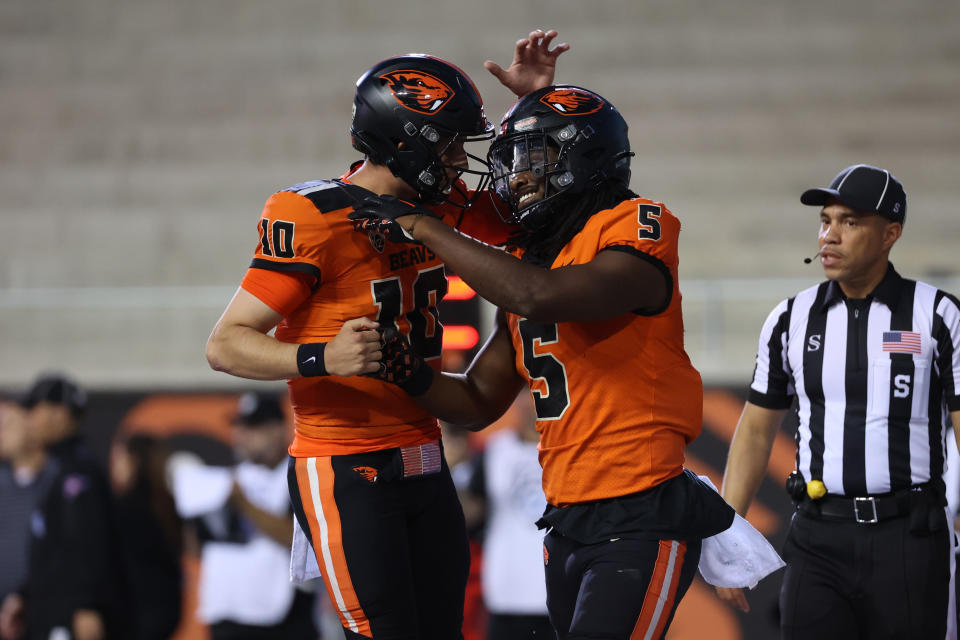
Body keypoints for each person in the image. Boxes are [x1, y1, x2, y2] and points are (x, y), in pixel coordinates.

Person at [204, 31, 567, 640]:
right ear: (407, 141)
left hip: (425, 457)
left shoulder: (439, 202)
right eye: (450, 145)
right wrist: (321, 356)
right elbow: (226, 343)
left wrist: (538, 103)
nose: (460, 161)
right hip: (343, 464)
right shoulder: (311, 215)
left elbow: (548, 208)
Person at [349, 84, 736, 640]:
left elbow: (540, 296)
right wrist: (402, 367)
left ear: (582, 156)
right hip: (566, 519)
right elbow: (479, 401)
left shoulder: (637, 223)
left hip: (641, 510)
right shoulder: (527, 258)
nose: (517, 177)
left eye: (533, 158)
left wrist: (426, 227)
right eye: (510, 161)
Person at [714, 164, 960, 639]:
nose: (829, 235)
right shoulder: (790, 318)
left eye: (849, 222)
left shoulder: (938, 314)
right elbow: (756, 429)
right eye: (825, 220)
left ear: (890, 234)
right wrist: (730, 534)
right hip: (817, 532)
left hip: (909, 535)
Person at [171, 391, 318, 640]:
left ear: (278, 430)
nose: (242, 436)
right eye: (239, 427)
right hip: (227, 612)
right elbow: (195, 549)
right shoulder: (224, 481)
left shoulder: (299, 477)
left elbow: (299, 543)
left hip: (281, 617)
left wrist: (243, 504)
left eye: (253, 427)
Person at [0, 373, 123, 640]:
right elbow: (52, 552)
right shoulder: (63, 468)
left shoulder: (78, 472)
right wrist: (25, 594)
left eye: (34, 409)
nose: (29, 419)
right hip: (49, 614)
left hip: (68, 617)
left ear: (60, 413)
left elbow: (86, 544)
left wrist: (85, 606)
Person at [464, 395, 553, 640]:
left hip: (562, 598)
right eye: (529, 391)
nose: (535, 402)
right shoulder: (493, 450)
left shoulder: (570, 452)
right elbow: (471, 513)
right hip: (506, 598)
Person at [110, 433, 184, 640]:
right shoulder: (169, 504)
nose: (113, 467)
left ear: (134, 461)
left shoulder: (125, 508)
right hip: (166, 610)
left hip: (135, 615)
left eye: (118, 459)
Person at [0, 400, 56, 616]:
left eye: (8, 423)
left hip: (43, 614)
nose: (1, 432)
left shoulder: (58, 481)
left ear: (31, 425)